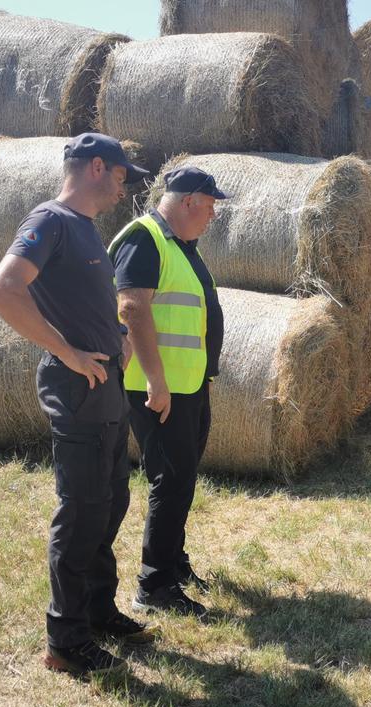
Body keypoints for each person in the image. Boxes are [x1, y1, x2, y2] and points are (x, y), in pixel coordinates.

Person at [0, 133, 157, 678]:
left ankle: (98, 611)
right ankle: (65, 641)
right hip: (76, 388)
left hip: (105, 385)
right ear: (97, 167)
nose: (124, 187)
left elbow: (87, 302)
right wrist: (67, 351)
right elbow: (3, 291)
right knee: (80, 512)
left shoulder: (87, 230)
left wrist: (117, 339)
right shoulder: (50, 221)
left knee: (110, 503)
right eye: (122, 175)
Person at [109, 166, 228, 617]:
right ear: (189, 201)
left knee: (182, 479)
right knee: (170, 480)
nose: (213, 214)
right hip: (156, 388)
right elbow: (132, 307)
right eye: (211, 205)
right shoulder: (146, 238)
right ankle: (154, 586)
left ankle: (173, 565)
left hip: (188, 385)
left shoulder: (182, 246)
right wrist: (157, 381)